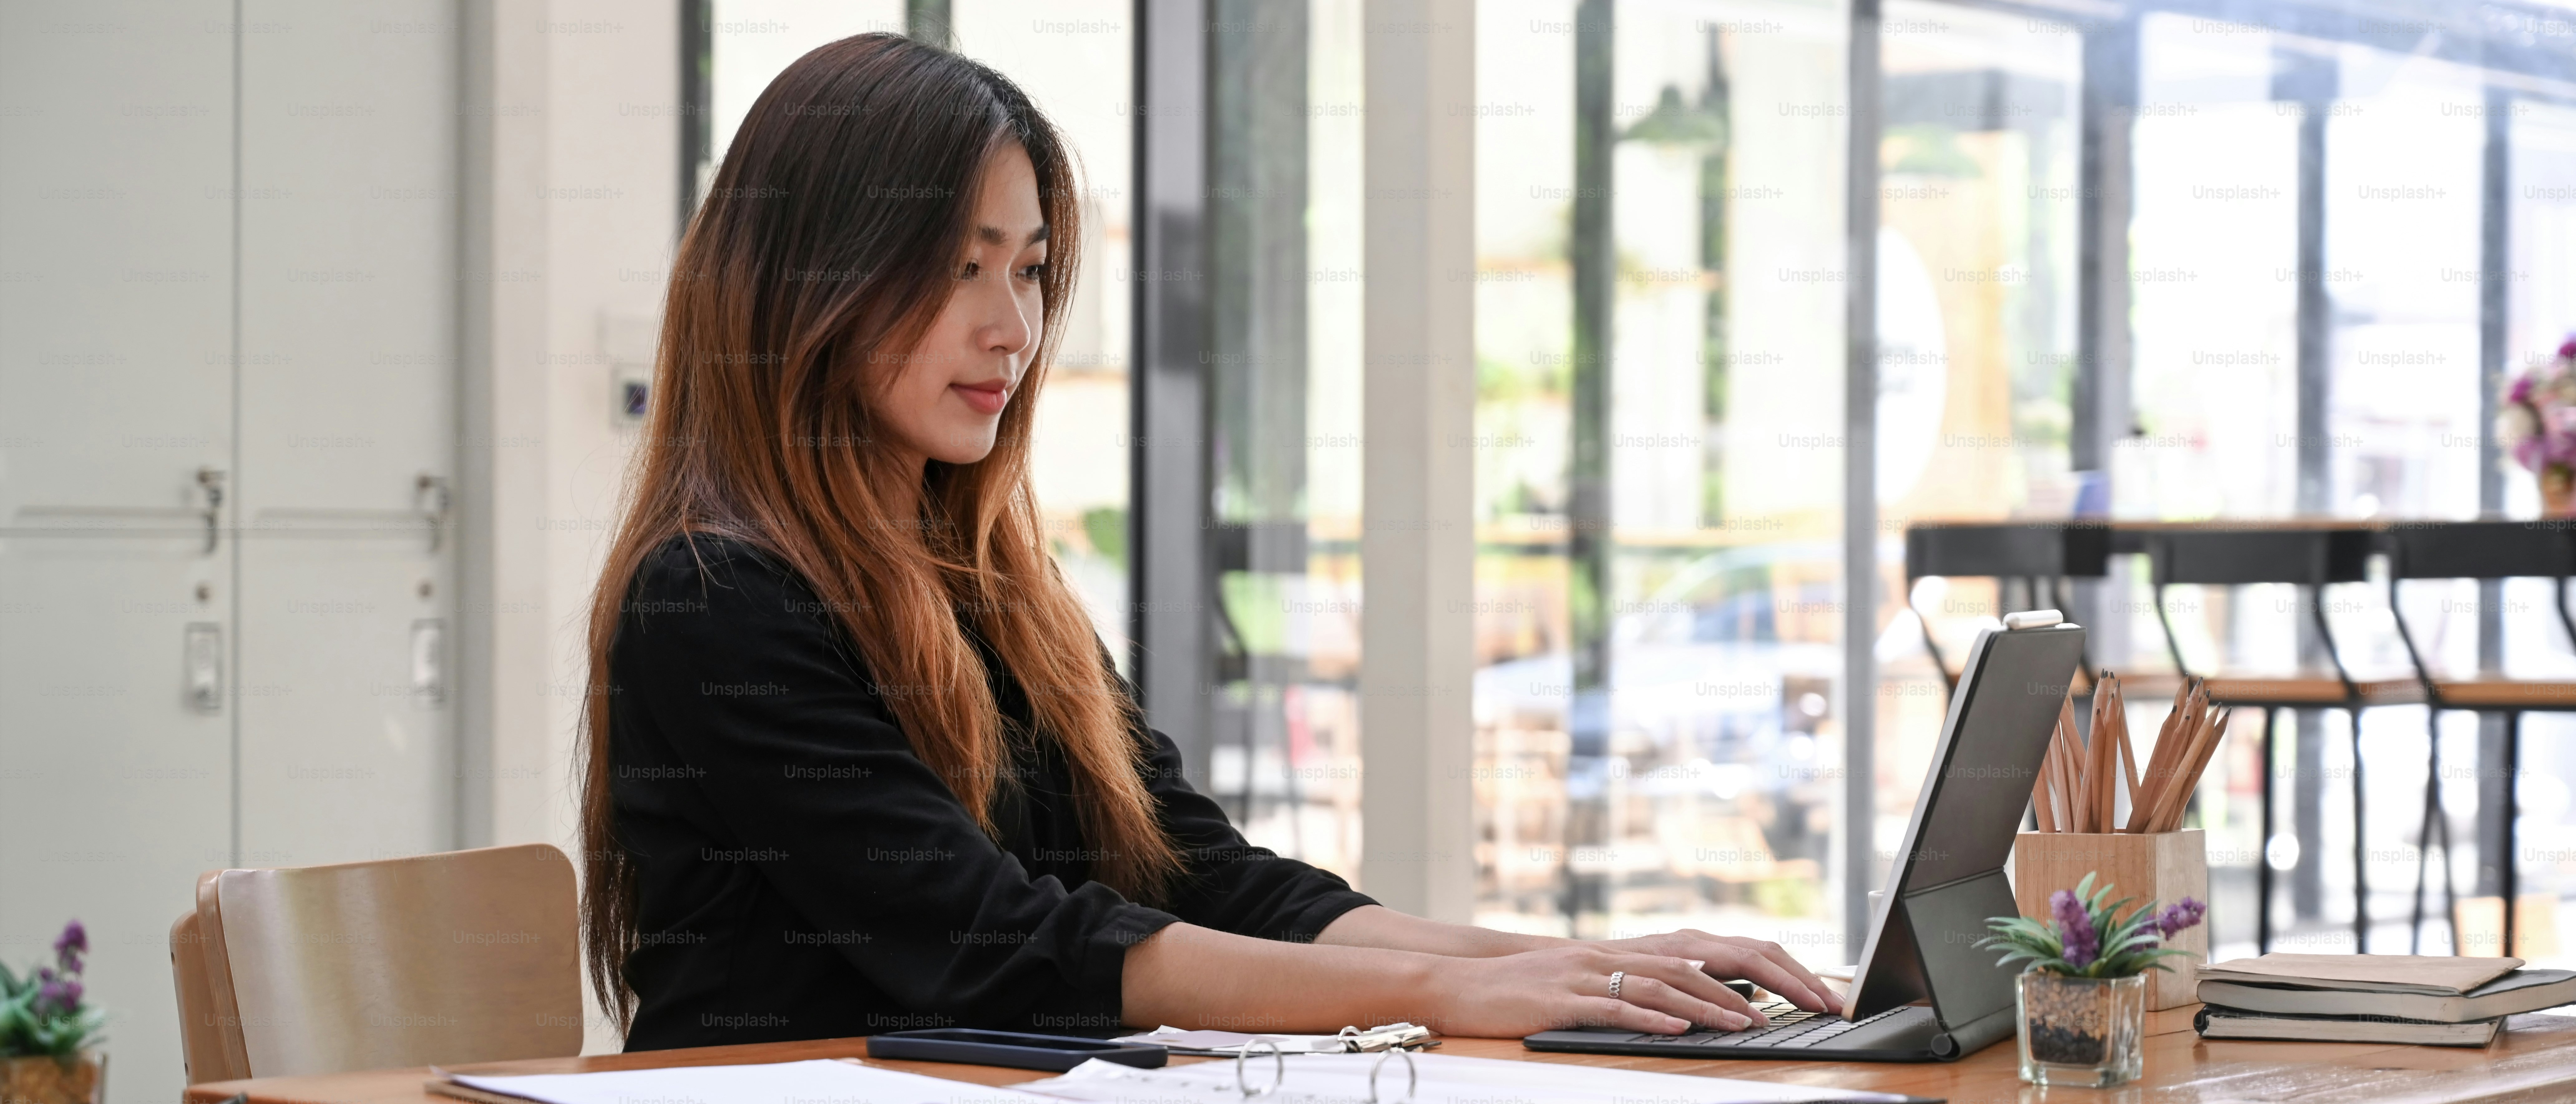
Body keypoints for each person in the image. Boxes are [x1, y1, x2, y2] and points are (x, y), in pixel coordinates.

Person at [579, 32, 1840, 1053]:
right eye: (963, 270)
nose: (1011, 331)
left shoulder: (988, 585)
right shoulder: (714, 598)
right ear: (814, 283)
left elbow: (1202, 876)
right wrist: (1442, 997)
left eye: (1030, 272)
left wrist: (1579, 967)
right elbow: (997, 942)